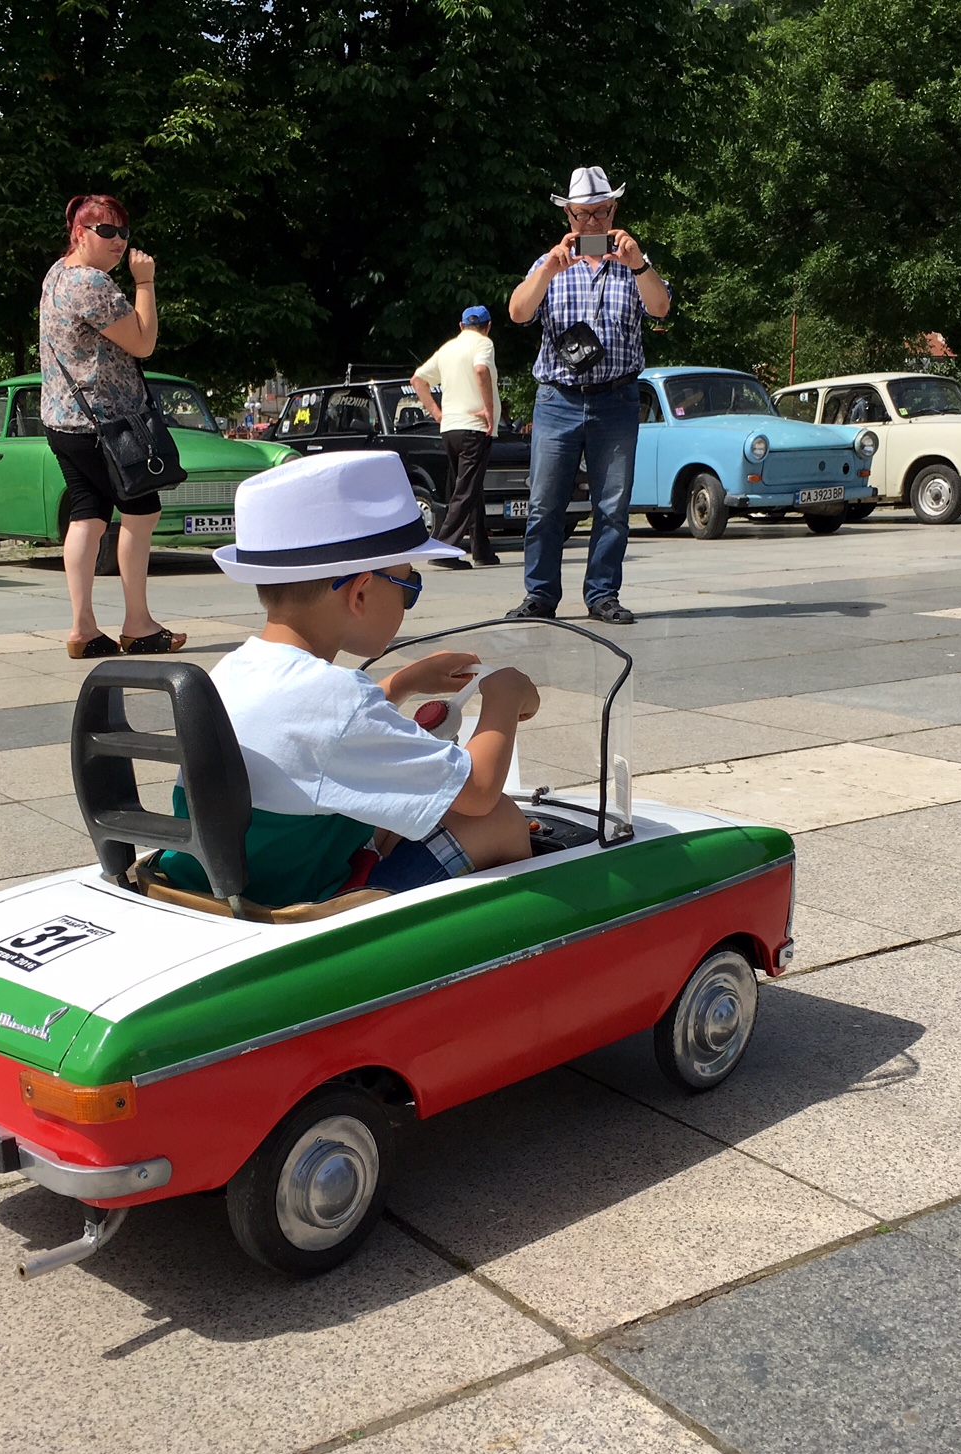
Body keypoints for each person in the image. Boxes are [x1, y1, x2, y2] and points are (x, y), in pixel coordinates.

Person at [156, 452, 540, 908]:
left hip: (225, 883)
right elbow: (477, 792)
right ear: (360, 592)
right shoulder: (339, 700)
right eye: (409, 587)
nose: (409, 601)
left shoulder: (234, 670)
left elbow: (312, 733)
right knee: (498, 821)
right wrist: (504, 697)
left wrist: (402, 683)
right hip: (296, 905)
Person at [505, 166, 671, 626]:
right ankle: (540, 595)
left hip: (616, 400)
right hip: (557, 399)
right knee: (544, 504)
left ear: (614, 210)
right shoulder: (549, 264)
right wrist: (548, 270)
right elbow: (517, 312)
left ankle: (602, 595)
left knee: (612, 506)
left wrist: (638, 265)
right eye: (583, 215)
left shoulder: (634, 263)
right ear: (569, 216)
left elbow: (660, 308)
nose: (593, 223)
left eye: (601, 212)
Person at [39, 192, 186, 659]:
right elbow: (143, 343)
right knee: (142, 513)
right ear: (79, 233)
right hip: (108, 426)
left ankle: (83, 628)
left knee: (88, 514)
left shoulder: (57, 275)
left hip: (64, 420)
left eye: (123, 231)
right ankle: (138, 625)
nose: (118, 241)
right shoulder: (93, 283)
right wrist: (145, 282)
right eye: (105, 231)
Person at [410, 306, 501, 568]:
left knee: (472, 488)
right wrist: (488, 409)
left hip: (450, 428)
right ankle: (443, 548)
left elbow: (417, 380)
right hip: (474, 427)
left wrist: (437, 412)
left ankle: (482, 550)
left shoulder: (448, 348)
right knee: (466, 490)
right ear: (488, 326)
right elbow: (481, 370)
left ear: (461, 326)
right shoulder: (483, 344)